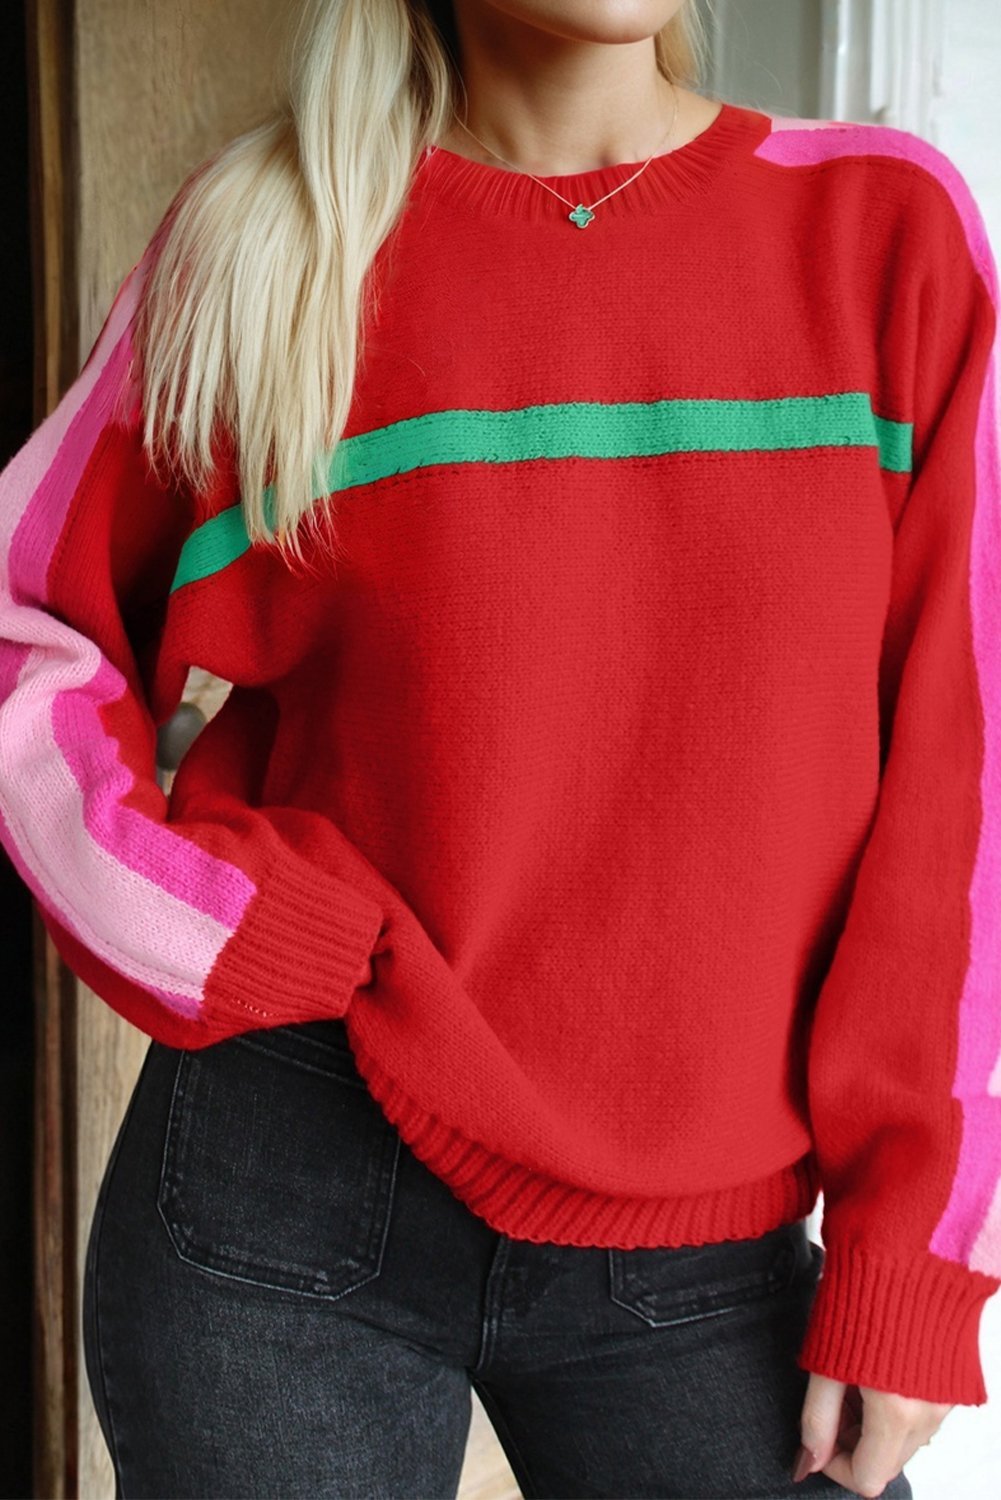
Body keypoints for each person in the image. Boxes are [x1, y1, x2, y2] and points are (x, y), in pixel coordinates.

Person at [1, 0, 998, 1494]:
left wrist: (909, 1250)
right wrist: (209, 922)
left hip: (706, 1244)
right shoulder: (266, 241)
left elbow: (965, 782)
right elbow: (28, 625)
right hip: (296, 1175)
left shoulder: (883, 232)